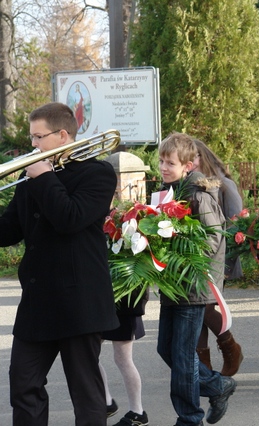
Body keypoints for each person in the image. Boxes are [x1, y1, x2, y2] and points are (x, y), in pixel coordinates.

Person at [0, 102, 120, 424]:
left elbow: (70, 218)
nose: (33, 144)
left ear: (62, 135)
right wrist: (39, 176)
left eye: (38, 137)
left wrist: (43, 177)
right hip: (38, 301)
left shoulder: (98, 173)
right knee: (23, 384)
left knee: (86, 392)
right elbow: (9, 230)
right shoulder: (32, 175)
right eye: (32, 137)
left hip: (79, 301)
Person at [156, 133, 236, 425]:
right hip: (173, 283)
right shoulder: (169, 191)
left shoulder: (198, 194)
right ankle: (217, 385)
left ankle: (190, 418)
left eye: (170, 163)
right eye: (161, 161)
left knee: (182, 355)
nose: (163, 167)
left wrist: (181, 256)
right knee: (167, 349)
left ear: (188, 166)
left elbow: (213, 238)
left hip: (192, 284)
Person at [191, 139, 244, 377]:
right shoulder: (186, 185)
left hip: (216, 259)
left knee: (205, 308)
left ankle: (230, 347)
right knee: (197, 311)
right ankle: (204, 366)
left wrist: (228, 263)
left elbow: (235, 225)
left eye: (193, 157)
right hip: (192, 259)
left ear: (202, 157)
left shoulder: (224, 184)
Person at [100, 291, 149, 425]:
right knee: (88, 356)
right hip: (102, 301)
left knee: (123, 359)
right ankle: (106, 402)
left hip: (126, 300)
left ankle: (137, 412)